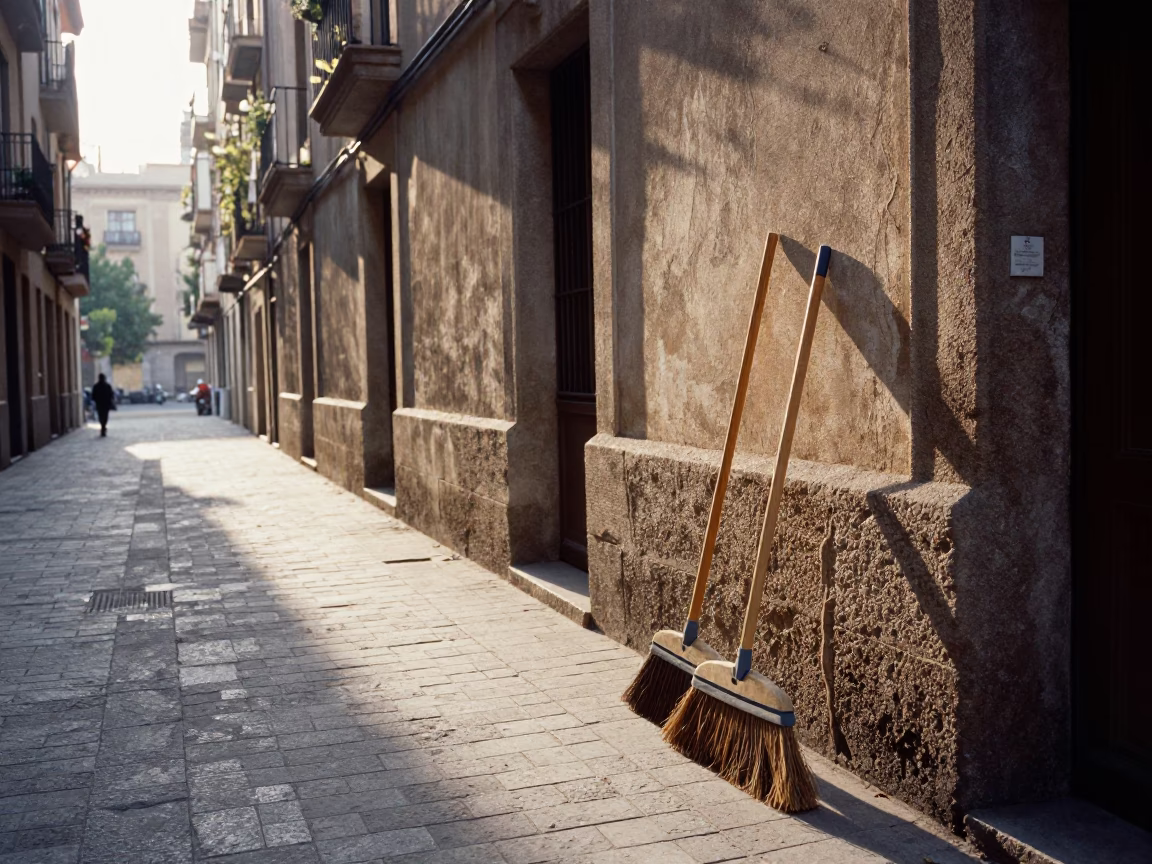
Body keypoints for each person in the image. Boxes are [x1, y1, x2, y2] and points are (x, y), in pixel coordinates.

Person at [91, 373, 116, 437]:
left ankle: (103, 427)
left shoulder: (96, 386)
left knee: (101, 416)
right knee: (105, 416)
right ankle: (103, 427)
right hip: (105, 404)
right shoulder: (107, 386)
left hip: (100, 404)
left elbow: (93, 396)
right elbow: (111, 395)